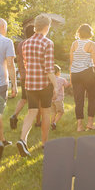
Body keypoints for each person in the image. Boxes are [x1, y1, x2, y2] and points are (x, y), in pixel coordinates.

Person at [17, 14, 58, 157]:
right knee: (46, 112)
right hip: (44, 84)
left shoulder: (26, 43)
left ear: (36, 26)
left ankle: (22, 140)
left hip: (29, 83)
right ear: (47, 27)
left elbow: (27, 64)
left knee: (31, 112)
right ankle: (45, 143)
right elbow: (49, 69)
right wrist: (56, 86)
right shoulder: (48, 43)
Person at [70, 23, 95, 132]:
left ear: (79, 32)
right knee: (92, 97)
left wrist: (71, 76)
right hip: (87, 73)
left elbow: (71, 62)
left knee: (79, 100)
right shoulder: (91, 44)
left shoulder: (74, 44)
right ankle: (90, 124)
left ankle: (79, 126)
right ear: (90, 33)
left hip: (75, 74)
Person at [9, 24, 37, 130]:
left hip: (23, 75)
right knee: (36, 101)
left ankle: (14, 115)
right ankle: (38, 122)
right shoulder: (34, 43)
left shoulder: (20, 44)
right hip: (33, 76)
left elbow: (19, 59)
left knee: (24, 98)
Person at [50, 64, 70, 130]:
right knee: (61, 112)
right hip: (58, 99)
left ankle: (51, 124)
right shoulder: (62, 79)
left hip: (51, 99)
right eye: (60, 71)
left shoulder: (50, 79)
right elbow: (67, 85)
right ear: (58, 72)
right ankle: (54, 123)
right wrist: (72, 80)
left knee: (53, 112)